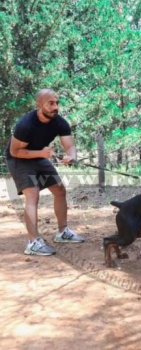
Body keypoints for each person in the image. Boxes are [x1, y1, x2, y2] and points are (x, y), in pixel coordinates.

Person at [5, 88, 85, 256]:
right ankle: (33, 242)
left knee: (59, 189)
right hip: (19, 158)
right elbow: (15, 152)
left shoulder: (60, 122)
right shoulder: (25, 124)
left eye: (57, 103)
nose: (55, 107)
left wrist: (70, 156)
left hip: (39, 155)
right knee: (33, 194)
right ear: (39, 104)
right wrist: (41, 153)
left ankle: (62, 232)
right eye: (51, 103)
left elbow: (70, 146)